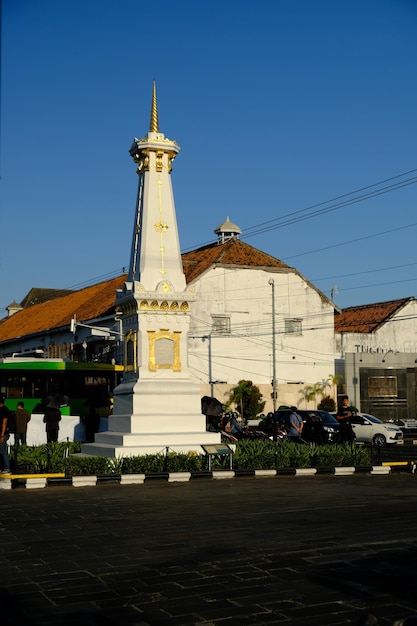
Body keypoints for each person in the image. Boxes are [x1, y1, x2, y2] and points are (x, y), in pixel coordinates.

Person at [0, 396, 11, 474]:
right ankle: (2, 467)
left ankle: (7, 468)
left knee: (3, 451)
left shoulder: (4, 410)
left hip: (3, 434)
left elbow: (4, 423)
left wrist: (2, 435)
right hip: (2, 434)